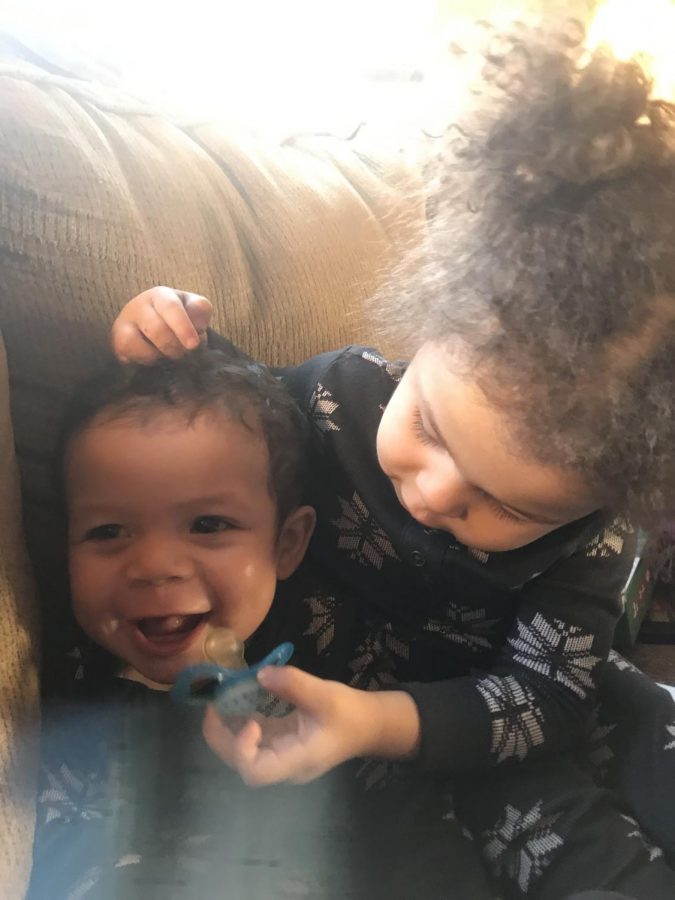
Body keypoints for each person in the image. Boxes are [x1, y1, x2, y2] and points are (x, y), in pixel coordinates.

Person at [110, 16, 675, 900]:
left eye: (514, 508)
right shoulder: (333, 397)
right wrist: (165, 340)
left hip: (482, 718)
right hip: (305, 716)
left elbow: (547, 702)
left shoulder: (594, 542)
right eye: (432, 428)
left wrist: (377, 722)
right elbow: (221, 428)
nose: (437, 494)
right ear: (423, 335)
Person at [28, 348, 493, 900]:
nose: (154, 566)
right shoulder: (60, 687)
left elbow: (412, 831)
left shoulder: (327, 679)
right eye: (108, 532)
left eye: (207, 524)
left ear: (287, 544)